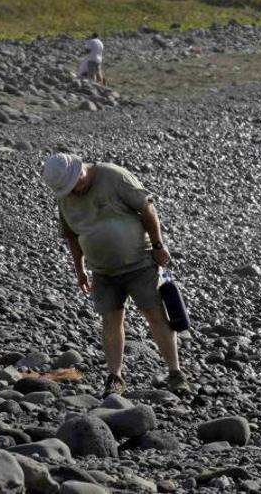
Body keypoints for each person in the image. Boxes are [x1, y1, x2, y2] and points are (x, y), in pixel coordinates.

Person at [41, 153, 190, 396]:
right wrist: (80, 271)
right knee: (110, 320)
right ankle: (115, 377)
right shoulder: (65, 195)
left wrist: (159, 245)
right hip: (102, 270)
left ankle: (175, 373)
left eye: (74, 185)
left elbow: (147, 207)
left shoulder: (113, 176)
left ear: (80, 170)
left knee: (155, 313)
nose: (73, 191)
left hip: (139, 262)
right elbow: (72, 237)